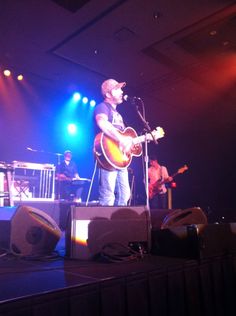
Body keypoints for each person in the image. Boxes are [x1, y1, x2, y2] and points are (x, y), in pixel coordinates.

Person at [94, 78, 133, 206]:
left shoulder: (118, 115)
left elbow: (122, 138)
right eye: (117, 89)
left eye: (121, 88)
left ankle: (118, 222)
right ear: (108, 94)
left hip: (120, 159)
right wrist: (121, 139)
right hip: (108, 157)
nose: (121, 91)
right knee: (108, 196)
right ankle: (104, 224)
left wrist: (130, 143)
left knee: (125, 194)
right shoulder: (102, 107)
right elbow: (102, 122)